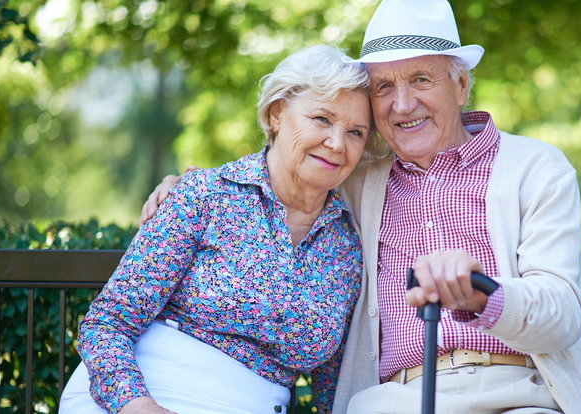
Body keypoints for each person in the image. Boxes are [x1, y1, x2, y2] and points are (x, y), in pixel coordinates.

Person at [141, 0, 581, 412]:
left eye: (421, 79)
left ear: (460, 85)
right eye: (383, 87)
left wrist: (481, 294)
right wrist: (188, 185)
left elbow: (562, 313)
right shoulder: (357, 176)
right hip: (393, 399)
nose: (402, 105)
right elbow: (288, 163)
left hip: (516, 392)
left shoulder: (536, 168)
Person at [60, 44, 373, 414]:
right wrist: (137, 406)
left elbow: (331, 389)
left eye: (355, 132)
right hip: (134, 396)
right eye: (322, 119)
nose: (337, 143)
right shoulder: (204, 195)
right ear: (277, 114)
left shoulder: (347, 245)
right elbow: (107, 323)